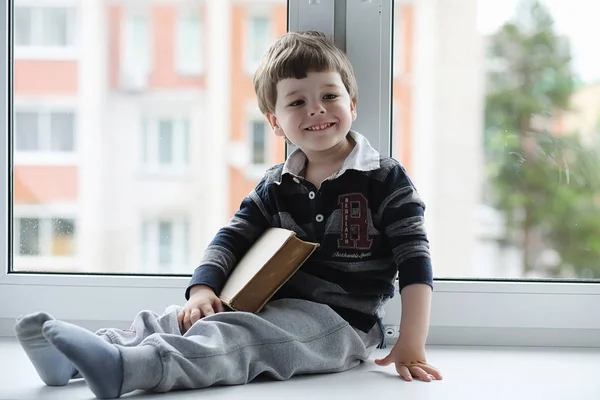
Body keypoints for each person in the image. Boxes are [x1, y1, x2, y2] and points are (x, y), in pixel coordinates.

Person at [14, 31, 443, 399]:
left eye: (329, 96)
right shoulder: (277, 184)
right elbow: (232, 237)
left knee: (236, 340)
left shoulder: (384, 179)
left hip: (342, 325)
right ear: (275, 123)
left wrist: (412, 340)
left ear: (353, 103)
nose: (316, 109)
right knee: (182, 318)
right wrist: (201, 292)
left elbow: (415, 262)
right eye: (298, 102)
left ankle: (131, 369)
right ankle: (71, 357)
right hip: (266, 300)